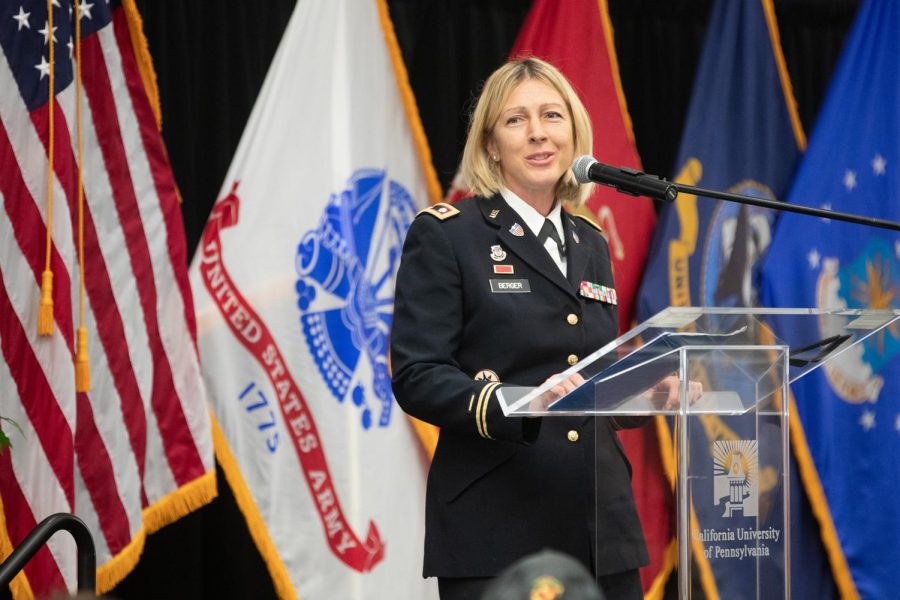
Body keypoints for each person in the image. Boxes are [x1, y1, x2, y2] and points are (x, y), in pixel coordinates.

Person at [391, 57, 681, 600]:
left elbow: (590, 381)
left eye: (552, 116)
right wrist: (522, 401)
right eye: (516, 120)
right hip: (499, 523)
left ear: (575, 136)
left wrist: (648, 395)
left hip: (601, 525)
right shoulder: (450, 235)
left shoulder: (591, 241)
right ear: (491, 145)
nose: (539, 133)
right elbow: (416, 374)